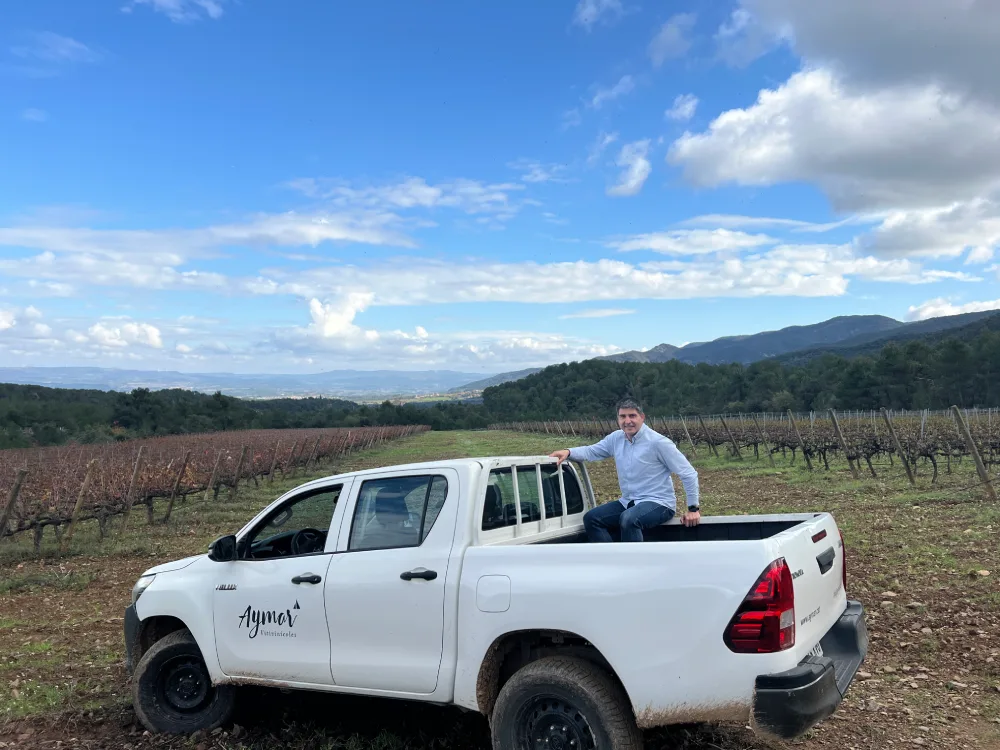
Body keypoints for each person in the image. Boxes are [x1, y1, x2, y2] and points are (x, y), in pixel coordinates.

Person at [549, 398, 701, 542]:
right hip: (628, 501)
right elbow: (592, 451)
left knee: (629, 519)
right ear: (618, 419)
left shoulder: (658, 443)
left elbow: (688, 473)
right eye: (623, 416)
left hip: (659, 503)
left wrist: (693, 509)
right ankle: (611, 560)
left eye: (632, 416)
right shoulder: (616, 438)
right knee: (592, 519)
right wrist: (568, 452)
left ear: (642, 417)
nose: (627, 421)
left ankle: (633, 566)